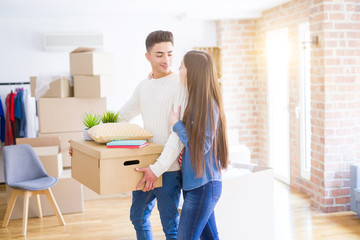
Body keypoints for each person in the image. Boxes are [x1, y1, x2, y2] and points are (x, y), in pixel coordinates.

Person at [118, 31, 187, 239]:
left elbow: (177, 137)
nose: (166, 60)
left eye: (170, 54)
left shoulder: (180, 87)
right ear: (148, 57)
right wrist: (91, 135)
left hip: (168, 170)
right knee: (137, 218)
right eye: (159, 55)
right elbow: (122, 116)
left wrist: (156, 170)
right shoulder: (144, 86)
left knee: (170, 227)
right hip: (144, 166)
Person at [169, 50, 229, 240]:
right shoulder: (196, 101)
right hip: (198, 185)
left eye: (182, 66)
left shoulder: (208, 105)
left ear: (192, 72)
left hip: (203, 187)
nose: (178, 69)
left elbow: (201, 147)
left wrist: (177, 125)